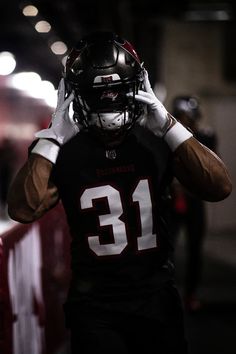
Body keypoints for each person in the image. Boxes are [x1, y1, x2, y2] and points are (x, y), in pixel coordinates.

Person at [7, 31, 232, 354]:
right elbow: (23, 209)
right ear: (72, 94)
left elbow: (219, 187)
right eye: (99, 93)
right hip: (95, 306)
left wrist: (169, 125)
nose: (109, 100)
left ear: (139, 87)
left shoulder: (156, 139)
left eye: (116, 89)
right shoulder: (62, 149)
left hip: (155, 297)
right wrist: (52, 138)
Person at [170, 96, 217, 312]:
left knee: (195, 250)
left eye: (188, 117)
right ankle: (168, 294)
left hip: (194, 199)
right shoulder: (167, 137)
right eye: (181, 117)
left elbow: (209, 168)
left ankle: (190, 294)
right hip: (171, 199)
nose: (186, 121)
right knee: (166, 250)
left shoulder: (204, 137)